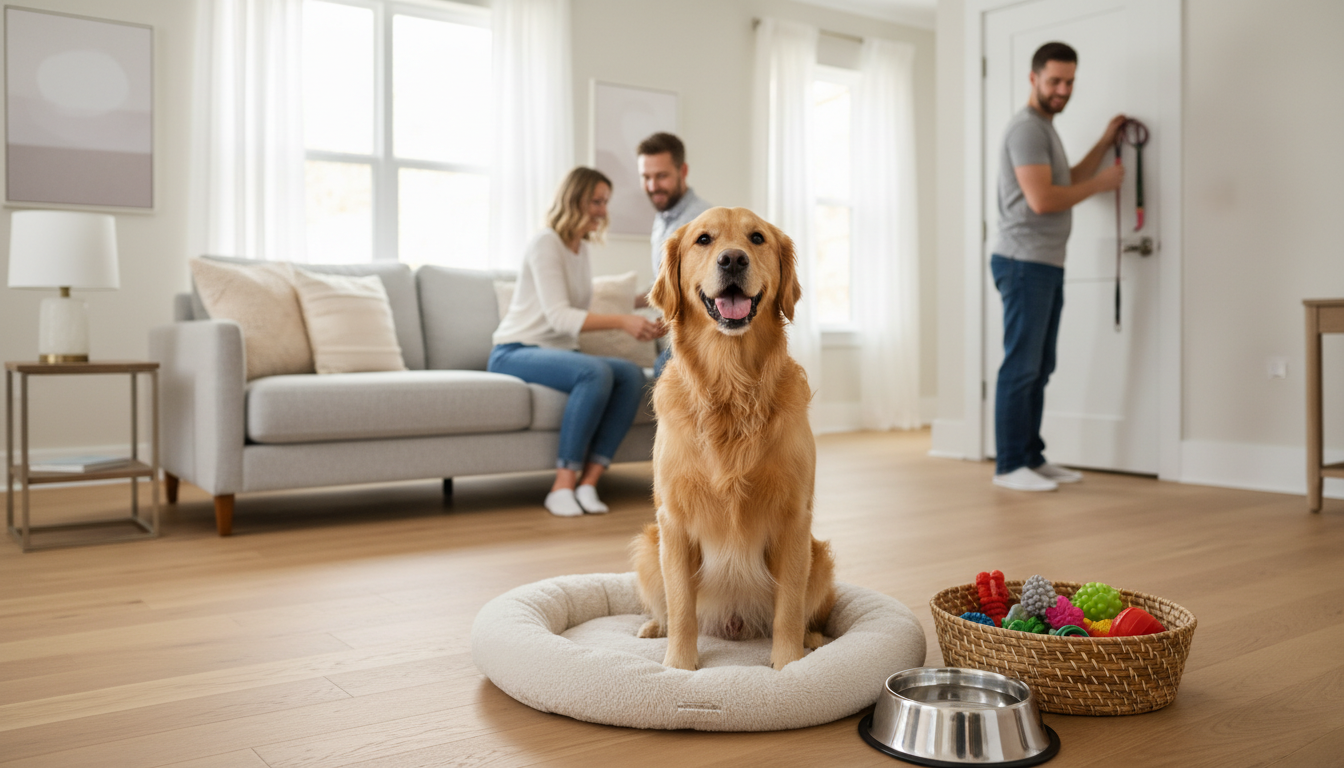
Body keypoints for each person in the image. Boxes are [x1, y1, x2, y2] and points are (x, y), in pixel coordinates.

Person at [991, 41, 1126, 492]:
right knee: (1022, 365)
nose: (1063, 90)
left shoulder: (1045, 129)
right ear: (1034, 79)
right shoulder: (1027, 130)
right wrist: (1104, 183)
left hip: (1044, 263)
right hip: (1024, 263)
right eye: (1054, 81)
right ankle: (1010, 466)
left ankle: (1032, 457)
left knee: (1040, 365)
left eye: (1069, 81)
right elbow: (1043, 198)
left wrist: (1105, 144)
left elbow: (1063, 179)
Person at [489, 167, 664, 516]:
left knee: (630, 375)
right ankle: (562, 486)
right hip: (515, 350)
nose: (602, 210)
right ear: (574, 200)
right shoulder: (546, 243)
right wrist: (623, 323)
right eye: (596, 201)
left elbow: (585, 302)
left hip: (557, 351)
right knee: (595, 373)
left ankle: (588, 483)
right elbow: (559, 316)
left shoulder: (579, 249)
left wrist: (656, 298)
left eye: (605, 202)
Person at [636, 132, 712, 377]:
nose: (652, 186)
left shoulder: (702, 222)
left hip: (705, 333)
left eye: (661, 176)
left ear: (683, 171)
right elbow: (663, 282)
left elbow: (706, 289)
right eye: (646, 177)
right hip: (679, 326)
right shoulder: (663, 219)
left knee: (665, 368)